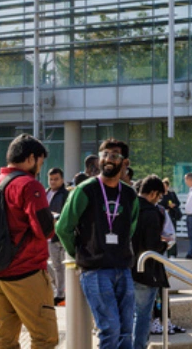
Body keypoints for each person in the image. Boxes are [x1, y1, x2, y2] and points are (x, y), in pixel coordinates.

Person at [0, 133, 60, 349]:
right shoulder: (29, 185)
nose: (40, 168)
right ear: (31, 158)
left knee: (6, 339)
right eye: (40, 162)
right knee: (45, 337)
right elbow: (44, 230)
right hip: (25, 271)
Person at [57, 139, 139, 349]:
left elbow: (130, 228)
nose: (108, 160)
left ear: (125, 162)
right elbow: (63, 227)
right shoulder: (86, 190)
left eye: (114, 155)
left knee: (126, 331)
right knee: (110, 329)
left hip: (123, 268)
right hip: (95, 270)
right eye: (104, 154)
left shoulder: (130, 194)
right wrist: (80, 255)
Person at [130, 175, 171, 349]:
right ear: (154, 193)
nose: (159, 200)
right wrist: (164, 243)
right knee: (143, 315)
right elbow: (152, 246)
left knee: (129, 315)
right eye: (160, 196)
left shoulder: (128, 207)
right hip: (146, 272)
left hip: (125, 268)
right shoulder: (152, 213)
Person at [45, 167, 69, 306]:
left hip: (60, 235)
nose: (53, 182)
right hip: (47, 235)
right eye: (51, 179)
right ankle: (59, 291)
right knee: (54, 266)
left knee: (62, 266)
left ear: (62, 179)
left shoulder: (66, 194)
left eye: (56, 179)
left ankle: (62, 293)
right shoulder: (45, 193)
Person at [160, 179, 182, 258]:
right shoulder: (160, 195)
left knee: (172, 235)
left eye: (166, 186)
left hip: (172, 217)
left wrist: (173, 205)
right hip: (163, 217)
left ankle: (172, 253)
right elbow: (159, 204)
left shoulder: (172, 194)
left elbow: (178, 203)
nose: (164, 188)